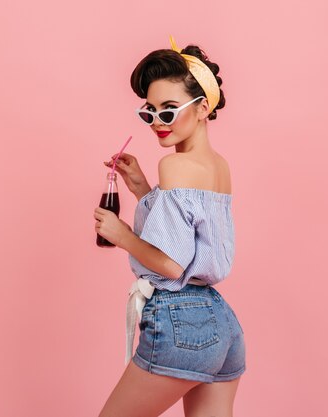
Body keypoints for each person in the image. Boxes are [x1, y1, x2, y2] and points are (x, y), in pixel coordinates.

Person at [93, 36, 245, 417]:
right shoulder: (219, 166)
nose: (157, 123)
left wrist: (122, 235)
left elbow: (173, 264)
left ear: (203, 107)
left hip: (182, 319)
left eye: (169, 110)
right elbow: (193, 234)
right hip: (221, 324)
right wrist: (143, 189)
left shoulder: (175, 167)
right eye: (150, 112)